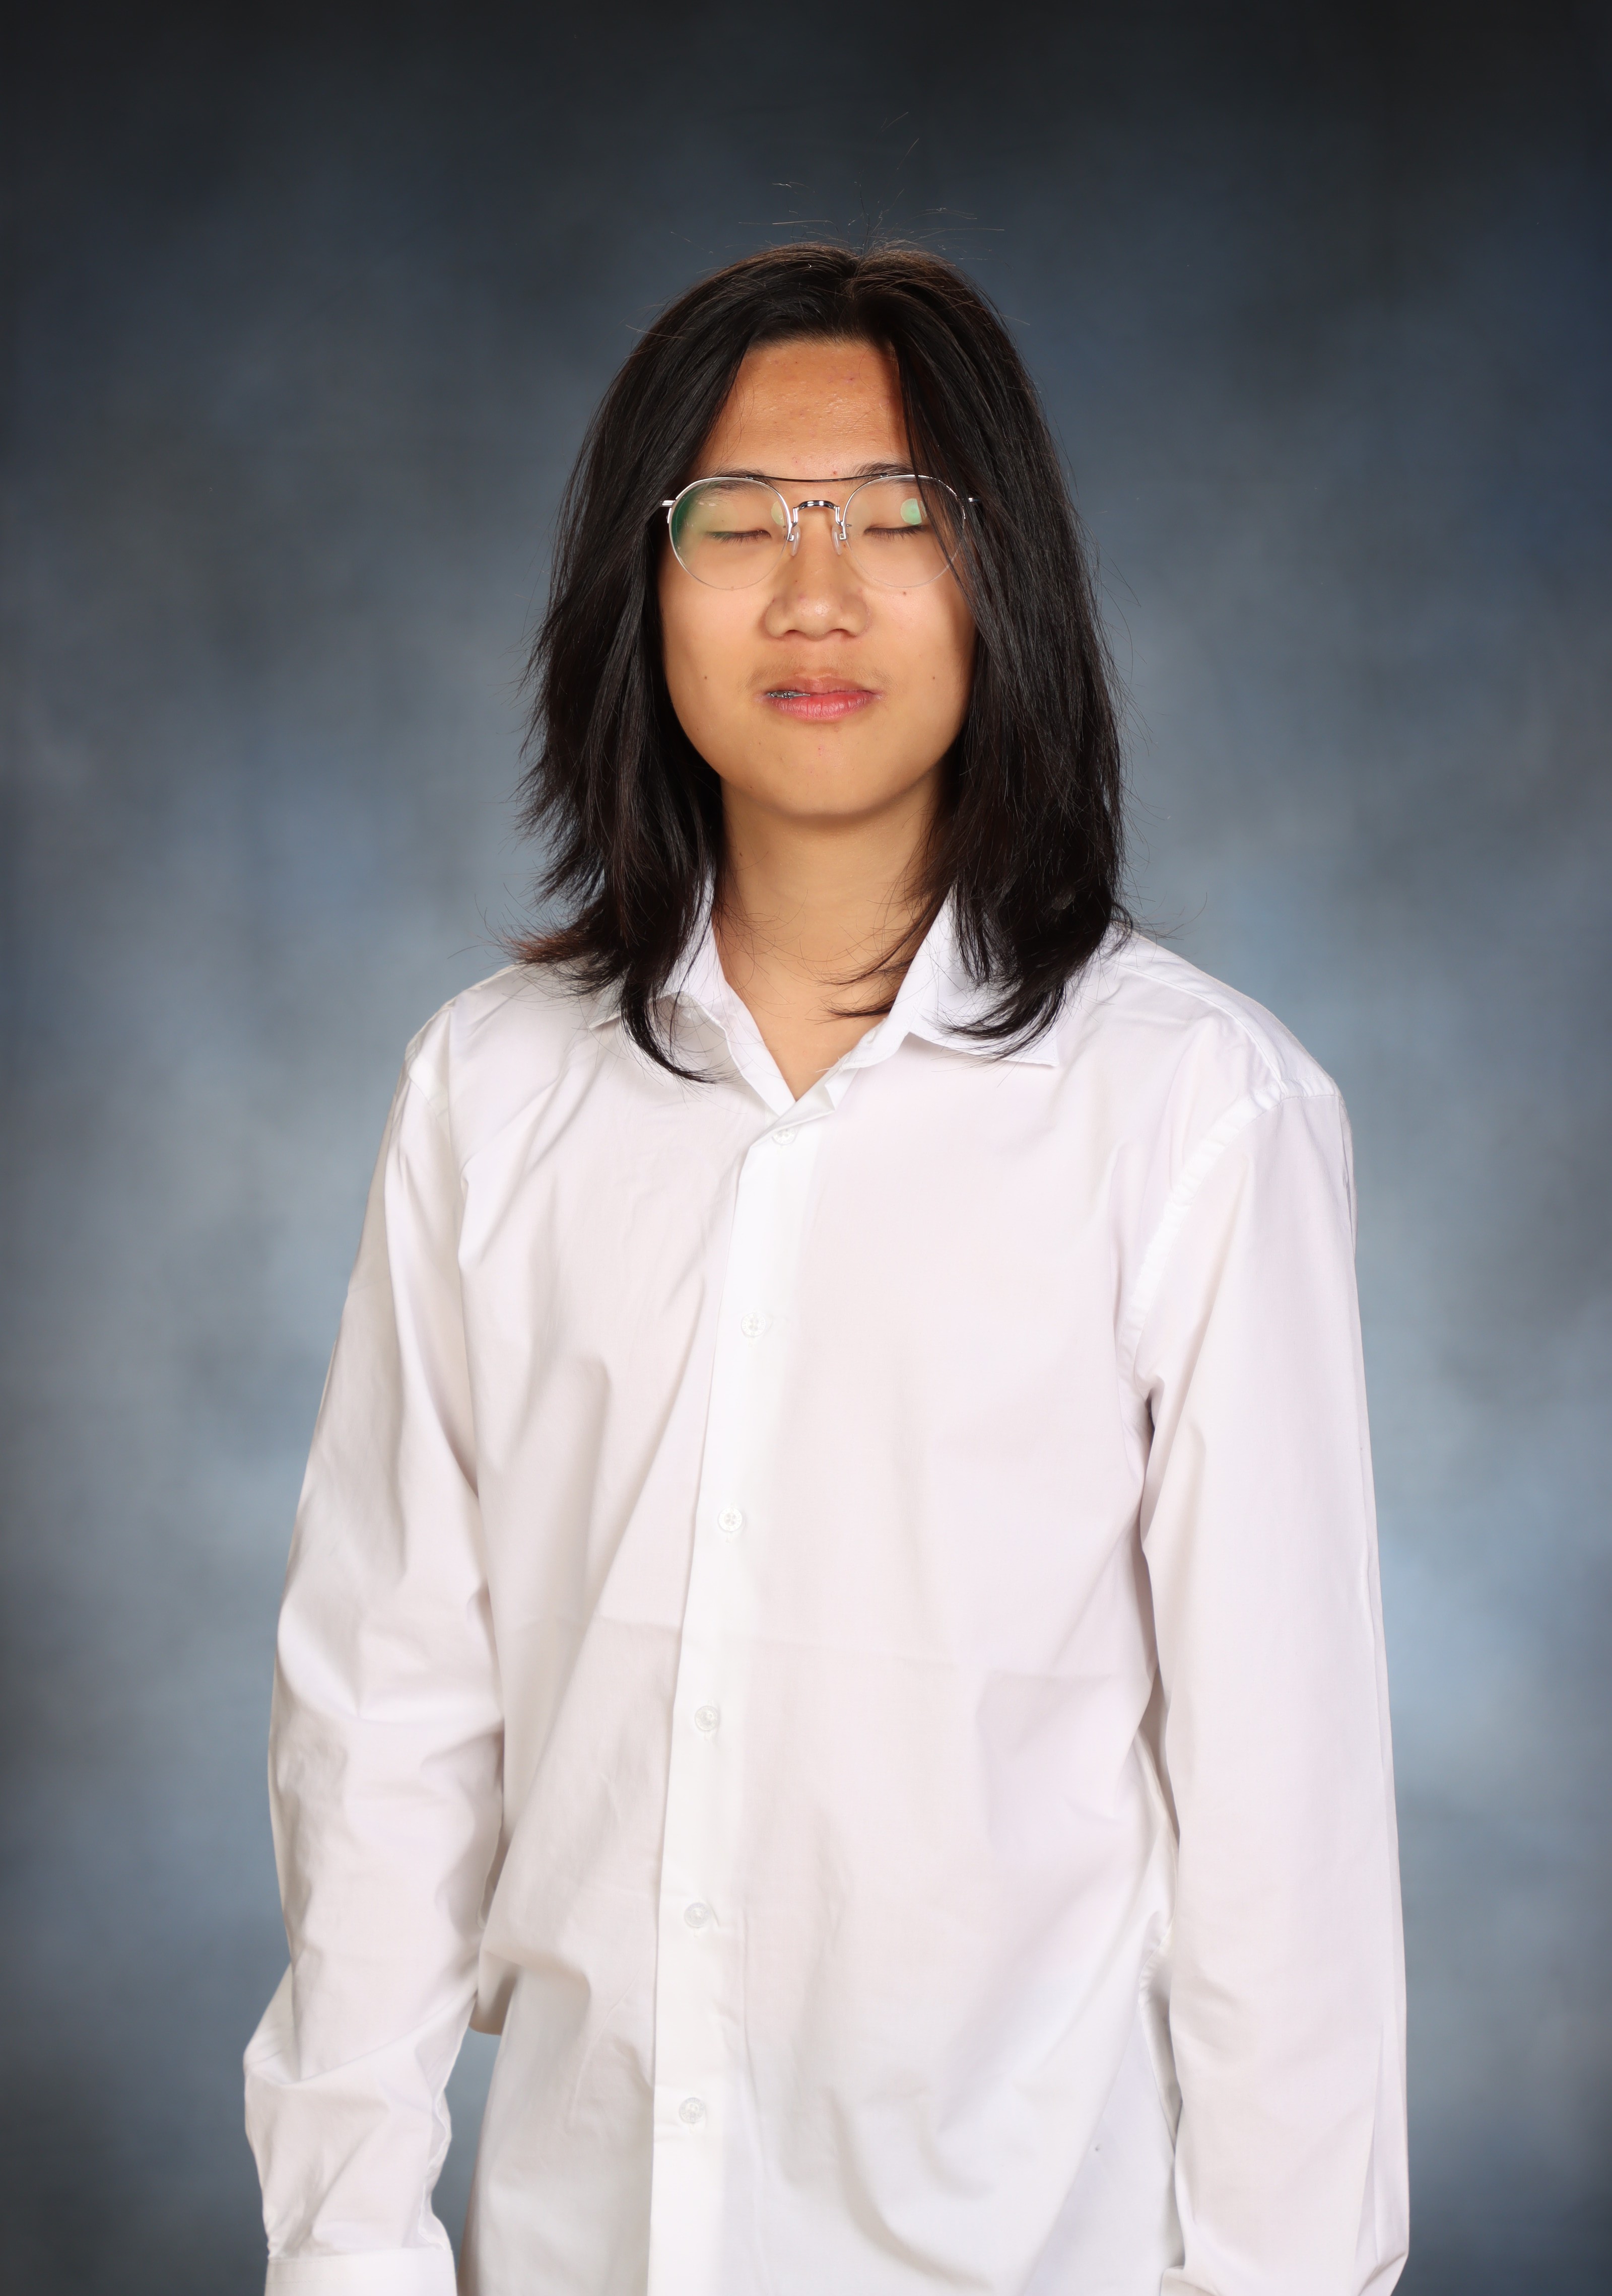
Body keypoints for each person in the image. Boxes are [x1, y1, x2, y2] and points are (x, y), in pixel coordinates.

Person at [244, 242, 1408, 2296]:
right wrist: (348, 2255)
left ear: (1000, 579)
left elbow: (1280, 1832)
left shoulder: (1196, 1117)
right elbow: (387, 1727)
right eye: (738, 521)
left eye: (891, 517)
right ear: (641, 587)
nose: (813, 594)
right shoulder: (488, 1094)